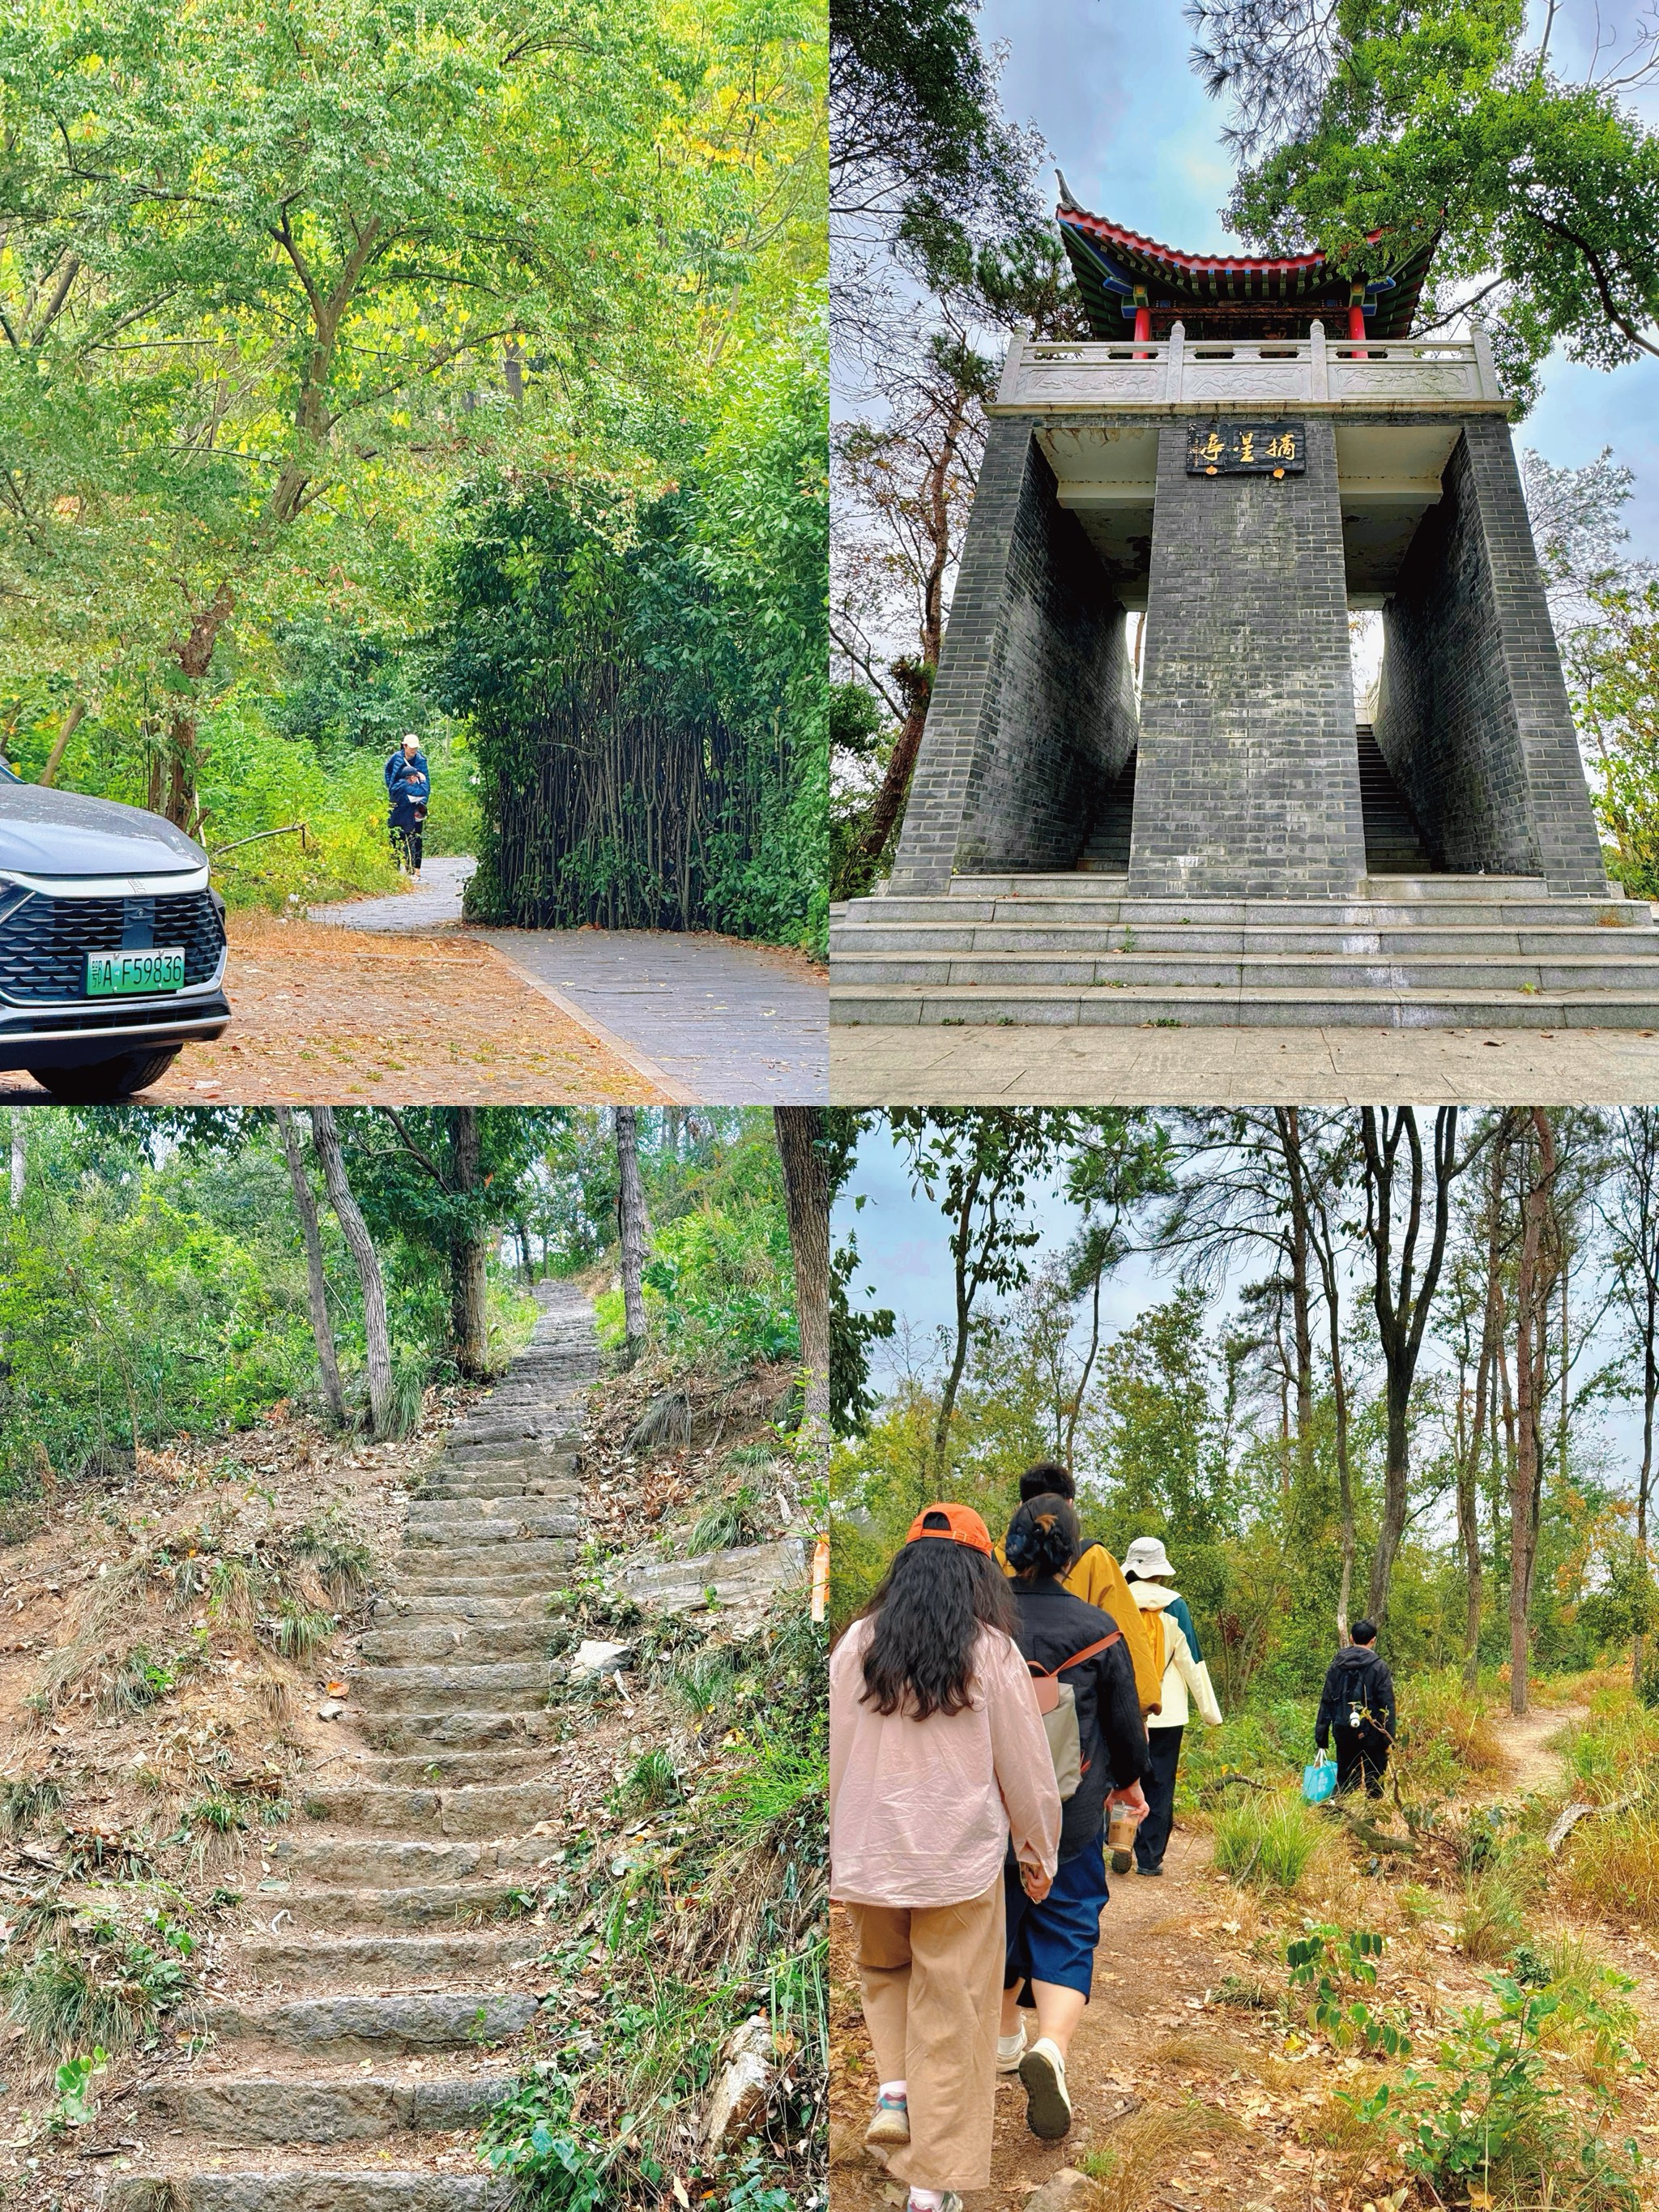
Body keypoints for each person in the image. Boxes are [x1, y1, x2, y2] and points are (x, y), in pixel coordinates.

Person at [830, 1505, 1060, 2212]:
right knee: (955, 2015)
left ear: (904, 1567)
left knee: (886, 1974)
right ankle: (929, 2190)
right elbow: (1025, 1767)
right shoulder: (990, 1651)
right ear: (980, 1572)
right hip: (957, 1864)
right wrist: (1037, 1849)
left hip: (871, 1860)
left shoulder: (856, 1644)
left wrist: (842, 1848)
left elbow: (835, 1758)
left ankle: (894, 2089)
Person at [998, 1493, 1149, 2142]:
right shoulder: (1098, 1628)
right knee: (1068, 1920)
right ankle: (1051, 2048)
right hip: (1074, 1810)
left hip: (990, 1810)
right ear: (1072, 1555)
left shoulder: (978, 1618)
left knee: (996, 1920)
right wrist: (1132, 1785)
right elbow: (1123, 1725)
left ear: (1011, 1546)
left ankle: (1004, 2035)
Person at [993, 1462, 1162, 1718]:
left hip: (1004, 1711)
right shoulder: (1094, 1559)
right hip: (1079, 1715)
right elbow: (1126, 1636)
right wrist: (1141, 1707)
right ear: (1070, 1505)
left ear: (1020, 1508)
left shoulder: (992, 1560)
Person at [1121, 1535, 1222, 1876]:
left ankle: (1120, 1842)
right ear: (1160, 1572)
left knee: (1121, 1776)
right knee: (1161, 1782)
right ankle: (1149, 1859)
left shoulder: (1114, 1600)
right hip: (1167, 1712)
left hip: (1122, 1710)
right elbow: (1192, 1662)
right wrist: (1210, 1712)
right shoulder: (1176, 1605)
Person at [1316, 1619, 1397, 1798]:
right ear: (1373, 1640)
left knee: (1345, 1777)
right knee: (1375, 1780)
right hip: (1373, 1733)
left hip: (1343, 1730)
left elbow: (1327, 1700)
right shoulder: (1379, 1667)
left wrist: (1321, 1736)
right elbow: (1387, 1703)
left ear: (1351, 1638)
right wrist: (1389, 1736)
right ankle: (1370, 1819)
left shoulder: (1337, 1665)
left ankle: (1335, 1813)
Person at [385, 732, 430, 877]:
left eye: (416, 748)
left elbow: (426, 783)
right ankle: (395, 867)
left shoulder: (421, 760)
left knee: (416, 834)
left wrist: (422, 803)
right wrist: (393, 788)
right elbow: (388, 772)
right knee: (396, 834)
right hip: (400, 799)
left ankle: (415, 868)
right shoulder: (396, 758)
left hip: (415, 799)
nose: (414, 751)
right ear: (404, 746)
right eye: (411, 748)